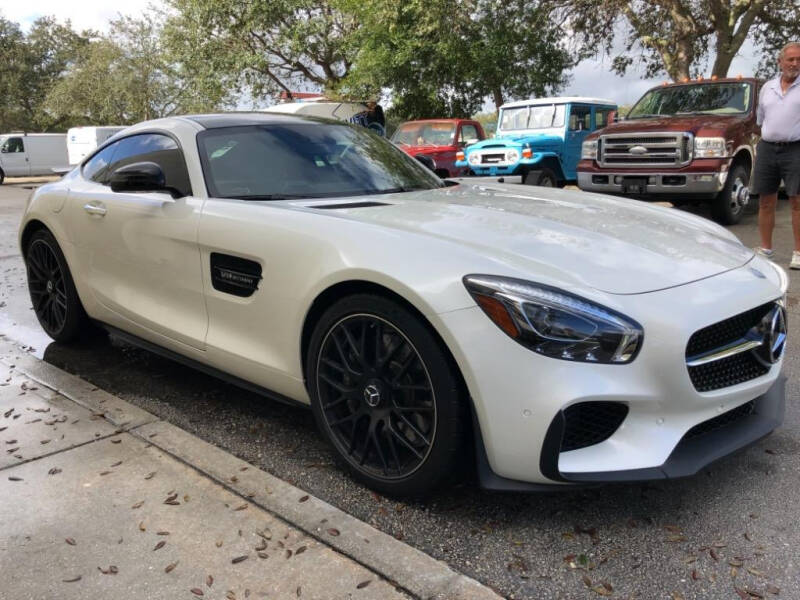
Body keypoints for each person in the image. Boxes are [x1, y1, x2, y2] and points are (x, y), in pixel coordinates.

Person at [753, 41, 800, 269]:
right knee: (765, 201)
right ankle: (766, 249)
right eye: (790, 59)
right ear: (780, 61)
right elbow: (760, 119)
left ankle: (799, 253)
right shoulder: (767, 88)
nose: (795, 63)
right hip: (768, 148)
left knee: (797, 202)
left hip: (796, 149)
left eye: (799, 60)